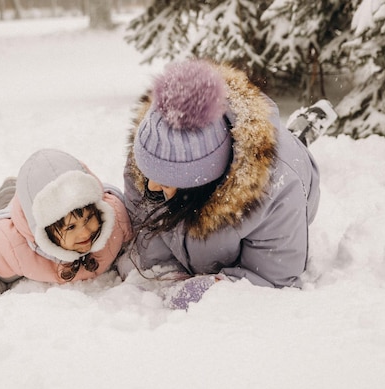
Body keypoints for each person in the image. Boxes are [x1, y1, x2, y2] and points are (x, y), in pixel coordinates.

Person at [118, 59, 335, 309]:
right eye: (149, 174)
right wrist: (168, 276)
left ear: (201, 184)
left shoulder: (279, 190)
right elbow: (148, 237)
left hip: (293, 171)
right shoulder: (152, 152)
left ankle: (304, 128)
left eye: (166, 181)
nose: (151, 186)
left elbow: (273, 279)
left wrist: (207, 290)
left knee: (292, 144)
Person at [0, 148, 133, 300]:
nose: (85, 233)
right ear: (45, 231)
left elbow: (134, 246)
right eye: (71, 227)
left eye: (88, 219)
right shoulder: (15, 245)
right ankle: (10, 187)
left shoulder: (115, 219)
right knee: (8, 203)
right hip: (20, 213)